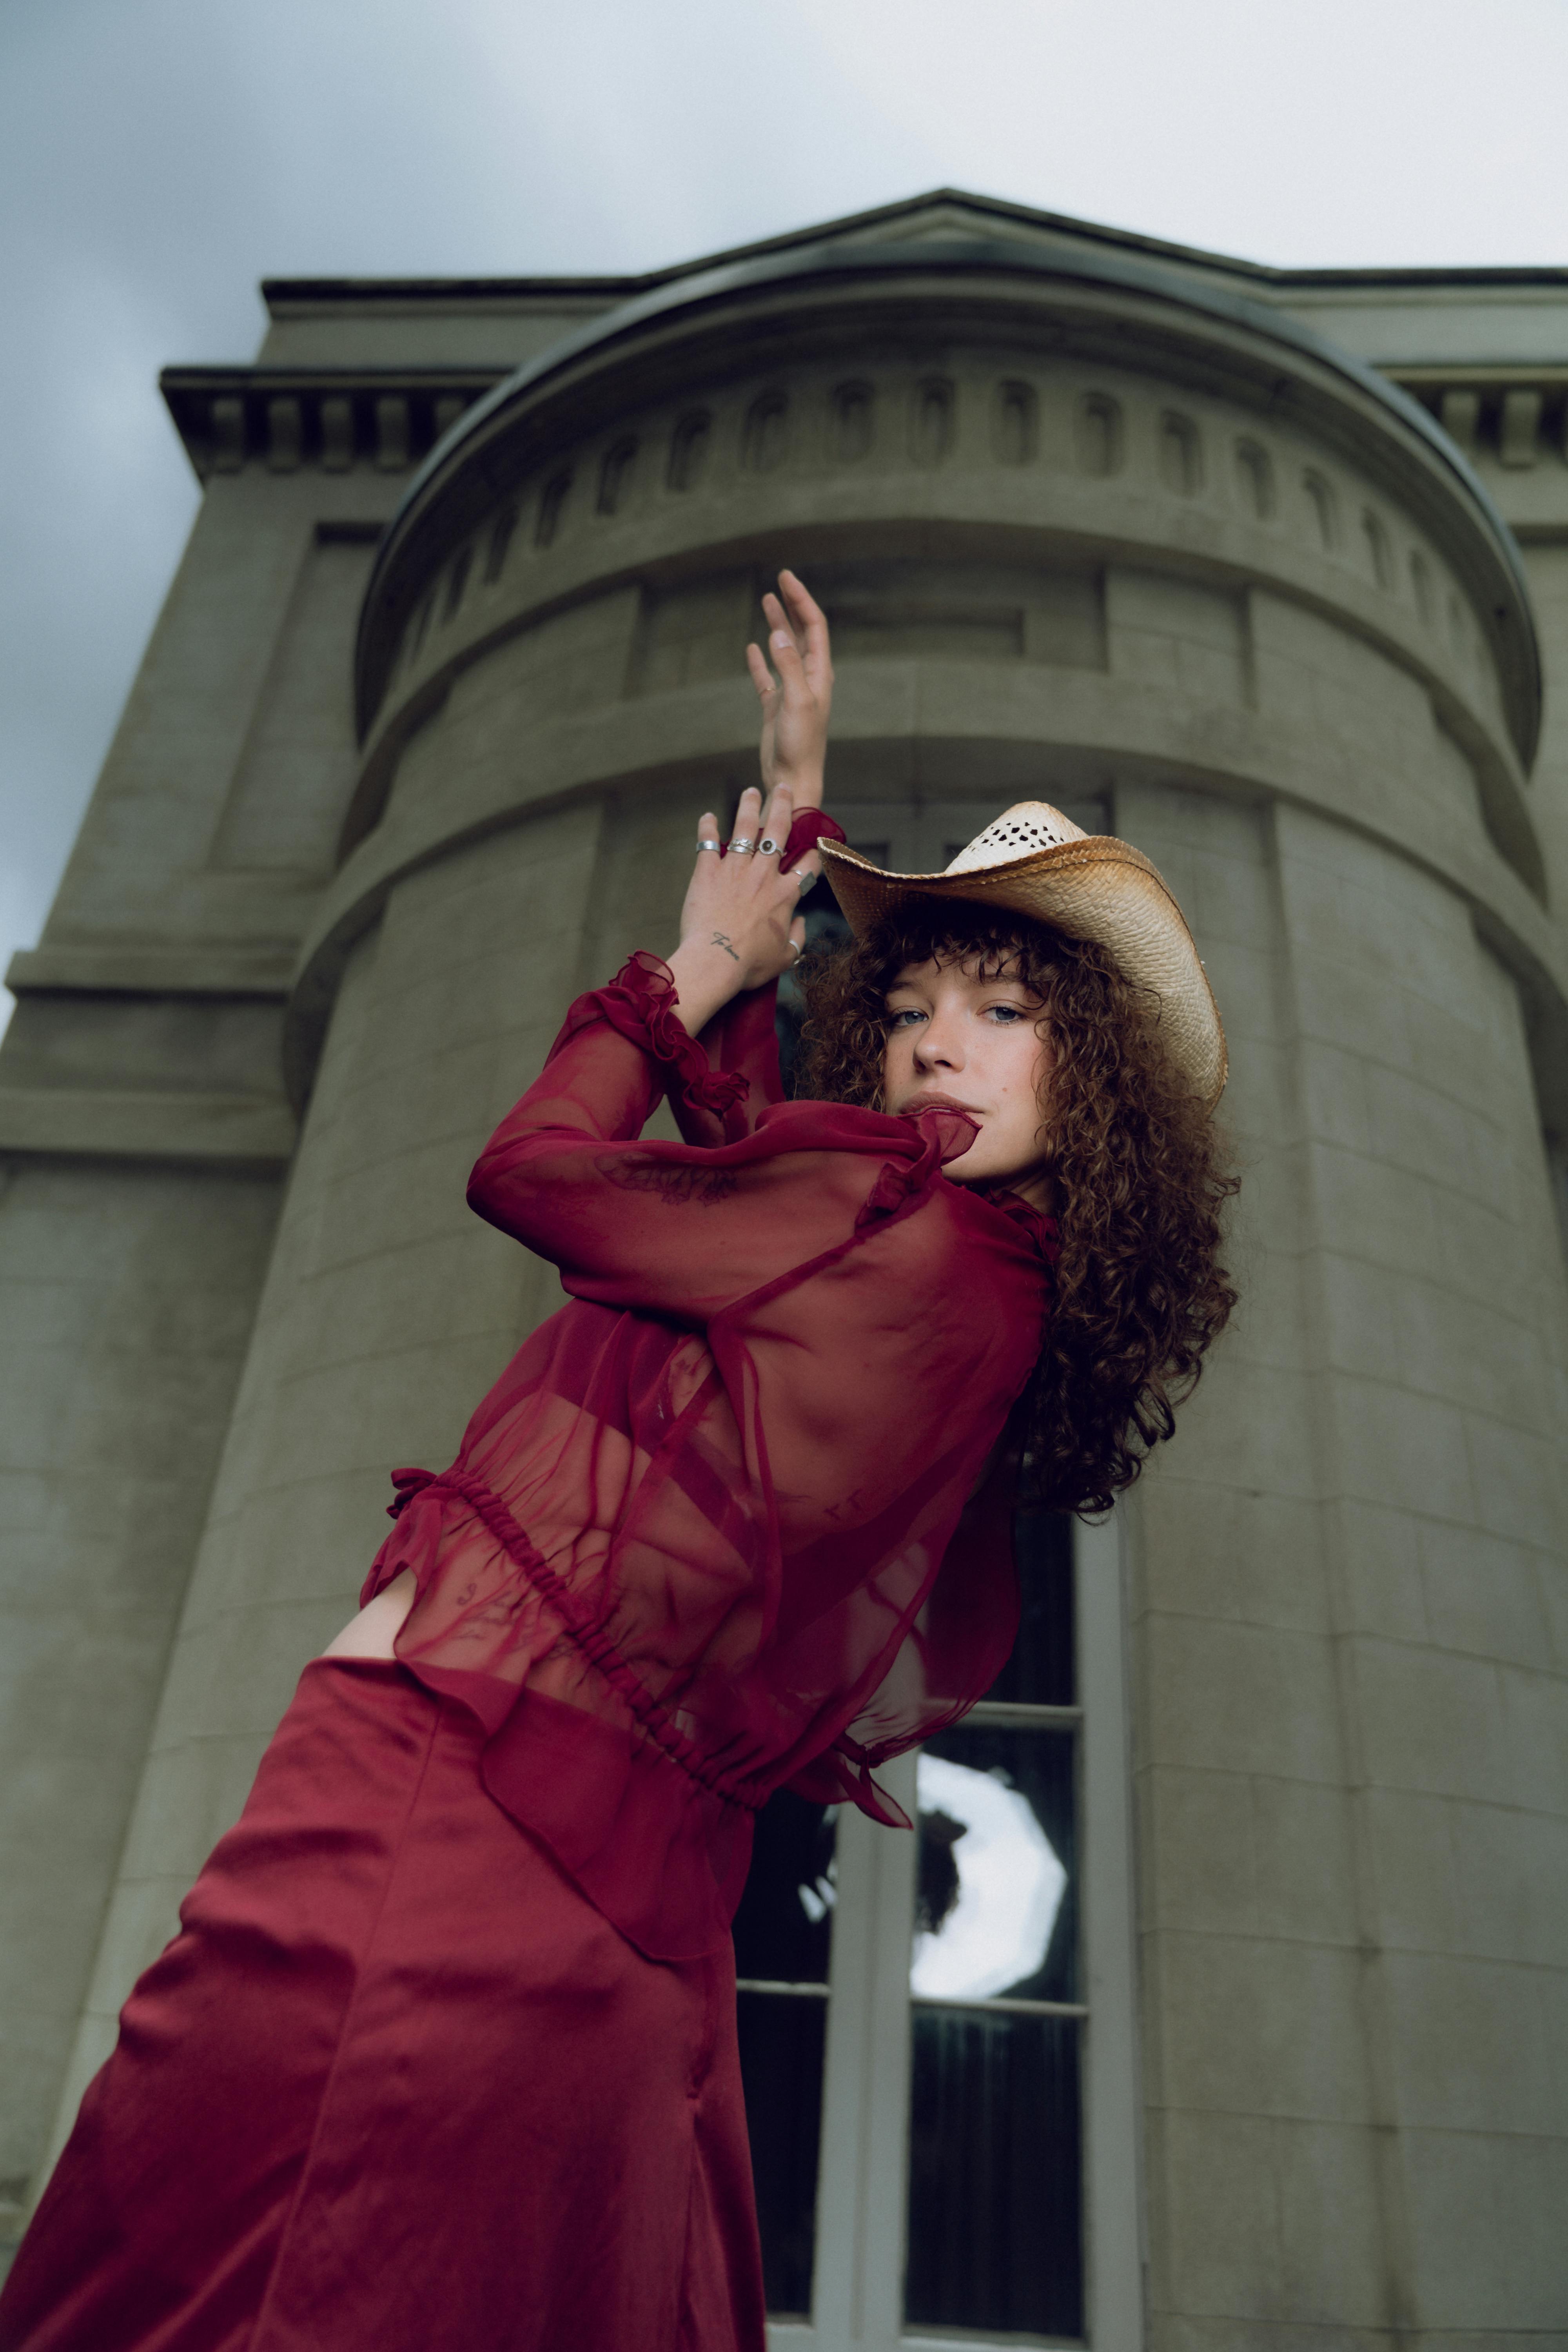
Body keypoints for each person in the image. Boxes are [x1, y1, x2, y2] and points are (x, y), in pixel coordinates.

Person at [0, 572, 1236, 2352]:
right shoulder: (978, 1287)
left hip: (440, 1811)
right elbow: (760, 1158)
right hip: (605, 1894)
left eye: (1004, 1011)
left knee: (194, 2265)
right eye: (911, 1008)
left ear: (1093, 1075)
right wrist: (799, 810)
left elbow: (536, 1173)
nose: (932, 1044)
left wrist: (699, 963)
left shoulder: (886, 1225)